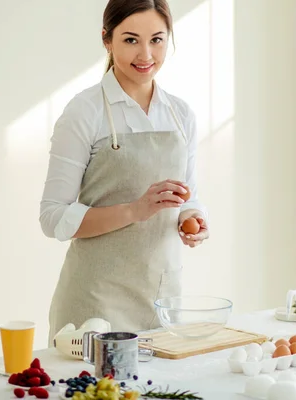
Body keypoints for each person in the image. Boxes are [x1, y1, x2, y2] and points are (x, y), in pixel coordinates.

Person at [39, 0, 209, 342]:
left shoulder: (180, 114)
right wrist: (135, 210)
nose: (146, 54)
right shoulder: (84, 113)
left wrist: (192, 216)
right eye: (131, 40)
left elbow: (188, 191)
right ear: (107, 39)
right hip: (95, 301)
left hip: (161, 299)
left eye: (157, 40)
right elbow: (53, 217)